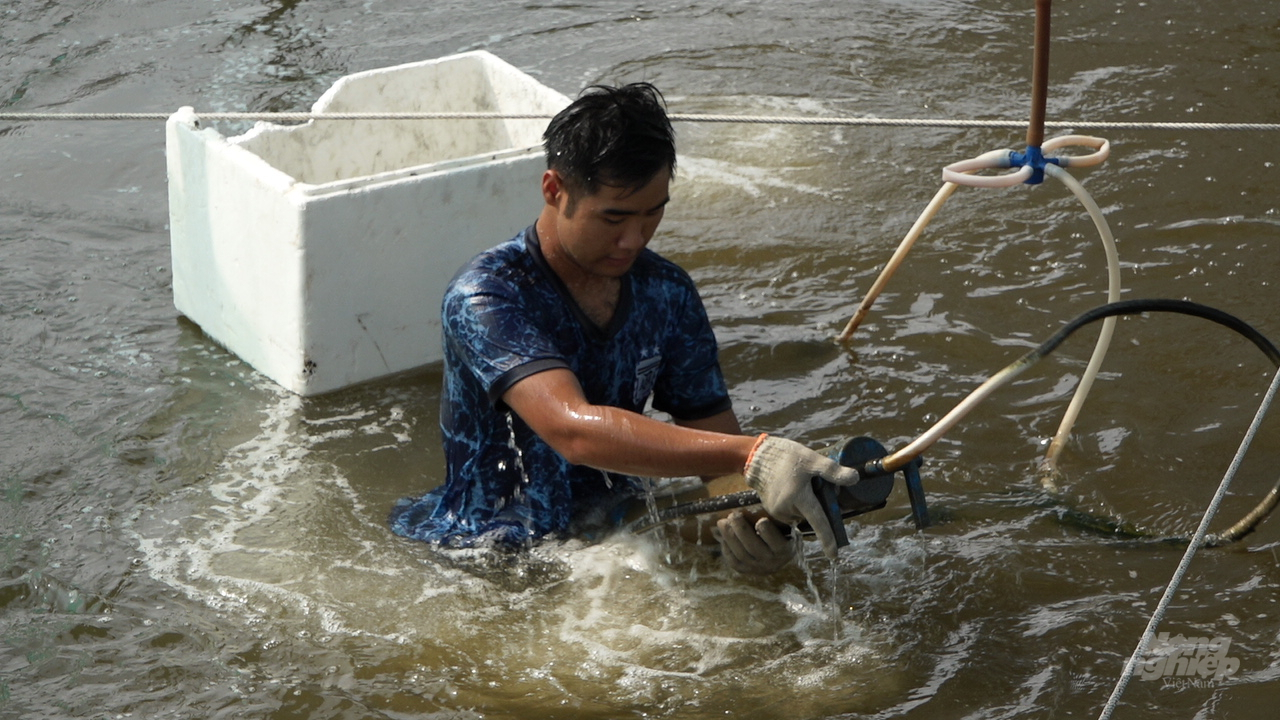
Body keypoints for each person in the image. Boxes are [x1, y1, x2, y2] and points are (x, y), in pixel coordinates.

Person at [390, 82, 860, 574]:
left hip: (619, 521)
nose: (634, 239)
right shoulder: (487, 295)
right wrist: (758, 456)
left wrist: (752, 522)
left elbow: (718, 462)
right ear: (555, 190)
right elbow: (572, 429)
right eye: (613, 217)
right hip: (488, 548)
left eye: (653, 212)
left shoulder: (667, 292)